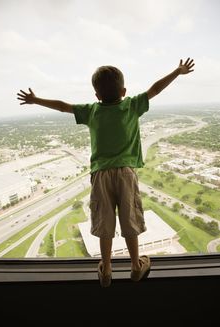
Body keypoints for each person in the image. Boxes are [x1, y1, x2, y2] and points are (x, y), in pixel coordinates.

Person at [17, 58, 195, 287]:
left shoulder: (91, 111)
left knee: (105, 222)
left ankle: (107, 270)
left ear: (96, 95)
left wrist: (35, 100)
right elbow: (155, 89)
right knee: (129, 219)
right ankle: (135, 266)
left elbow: (62, 106)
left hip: (101, 174)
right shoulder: (131, 105)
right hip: (126, 173)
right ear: (123, 91)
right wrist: (177, 71)